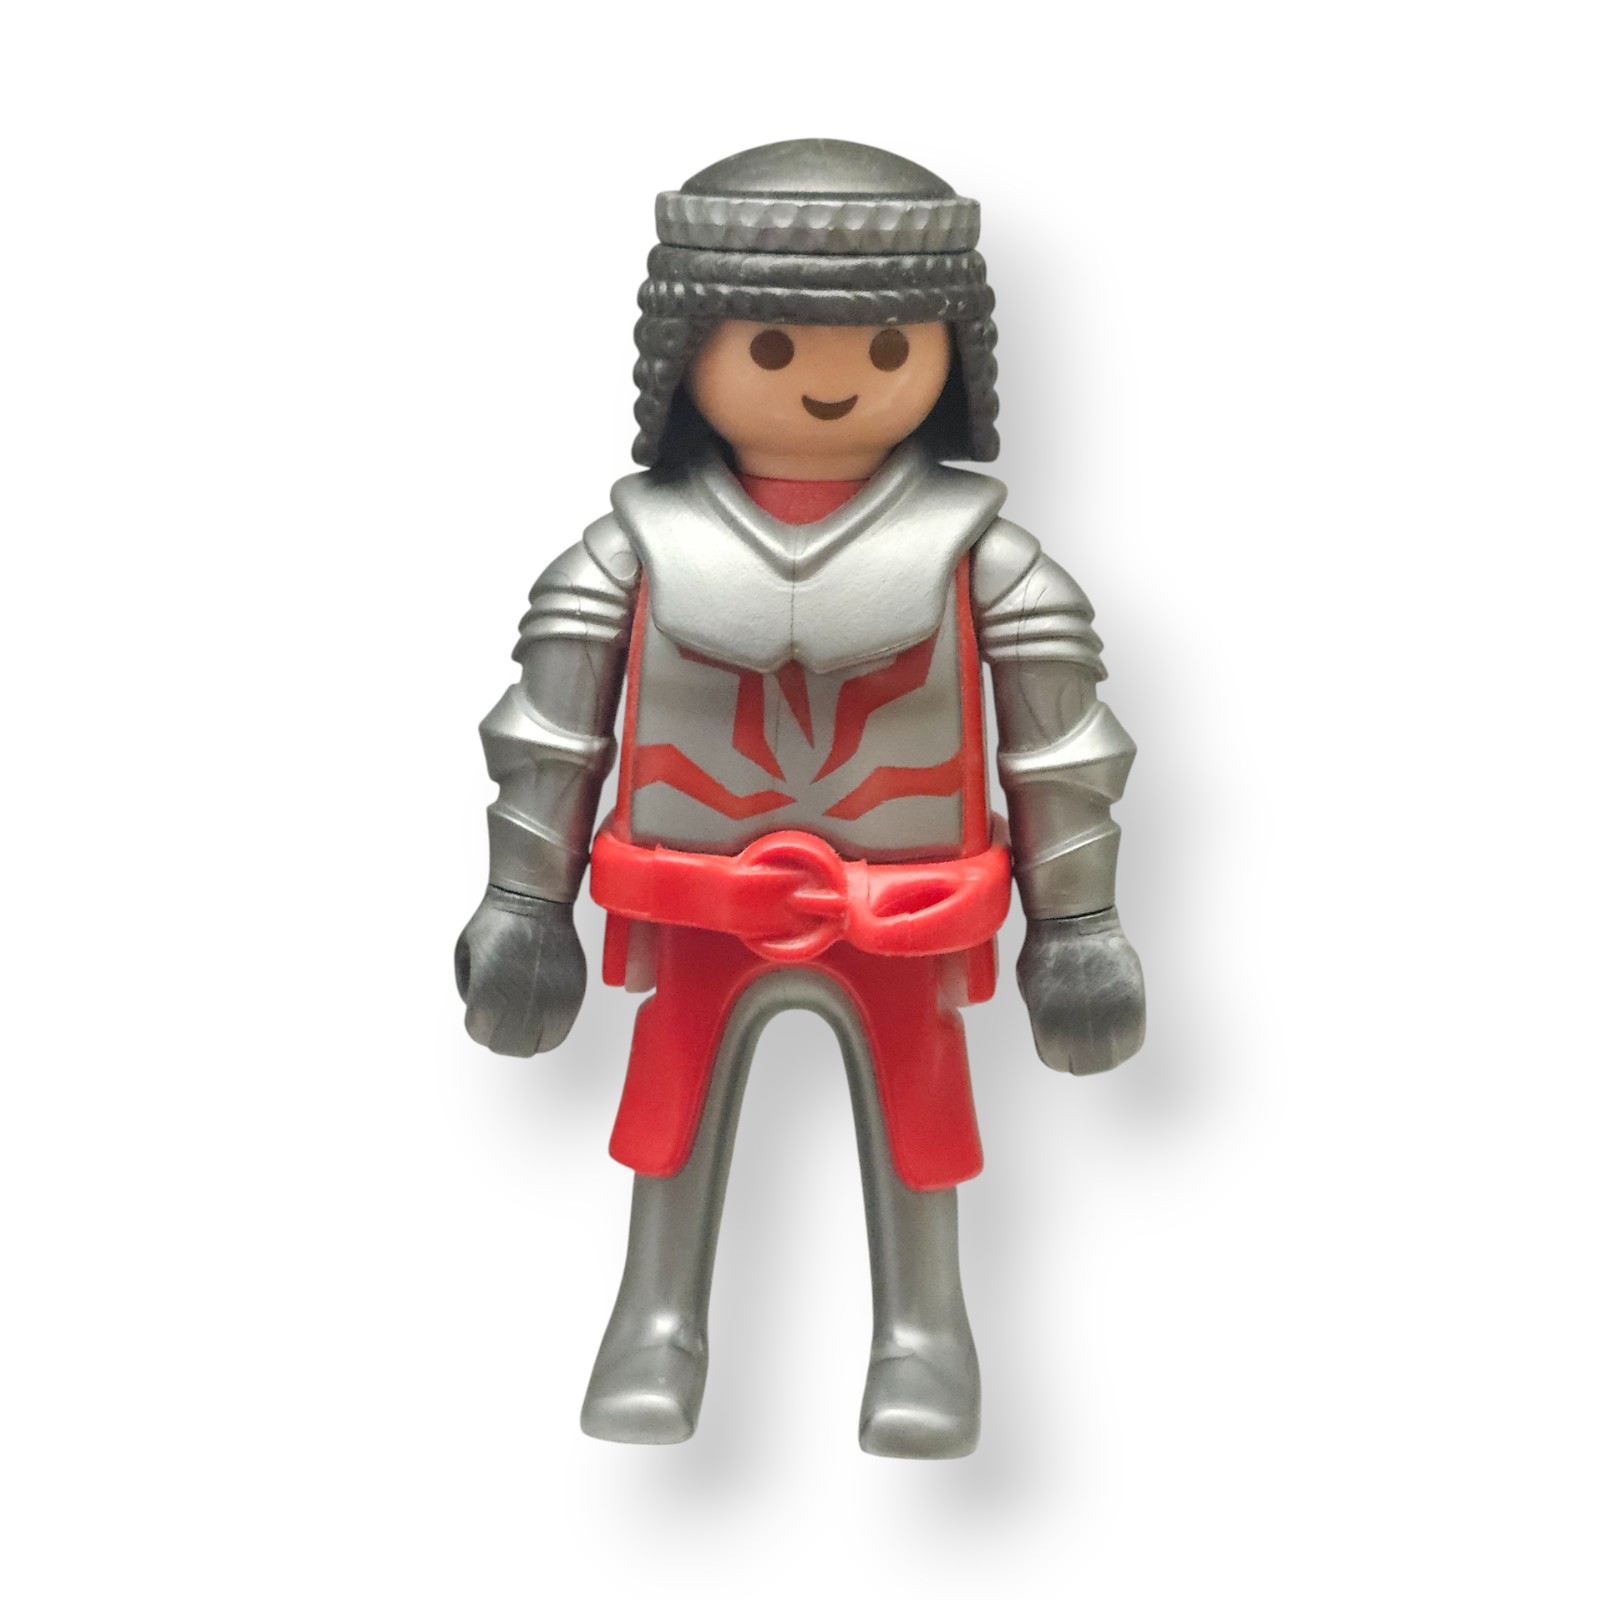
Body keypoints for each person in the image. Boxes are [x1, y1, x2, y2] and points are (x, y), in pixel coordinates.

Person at [455, 139, 1145, 1457]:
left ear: (948, 358)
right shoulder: (627, 554)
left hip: (903, 910)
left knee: (922, 1122)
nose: (832, 382)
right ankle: (655, 1320)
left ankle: (926, 1335)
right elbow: (552, 733)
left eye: (887, 349)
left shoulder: (989, 563)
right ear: (690, 355)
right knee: (668, 1115)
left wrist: (1079, 924)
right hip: (697, 904)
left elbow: (1060, 752)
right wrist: (522, 902)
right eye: (771, 349)